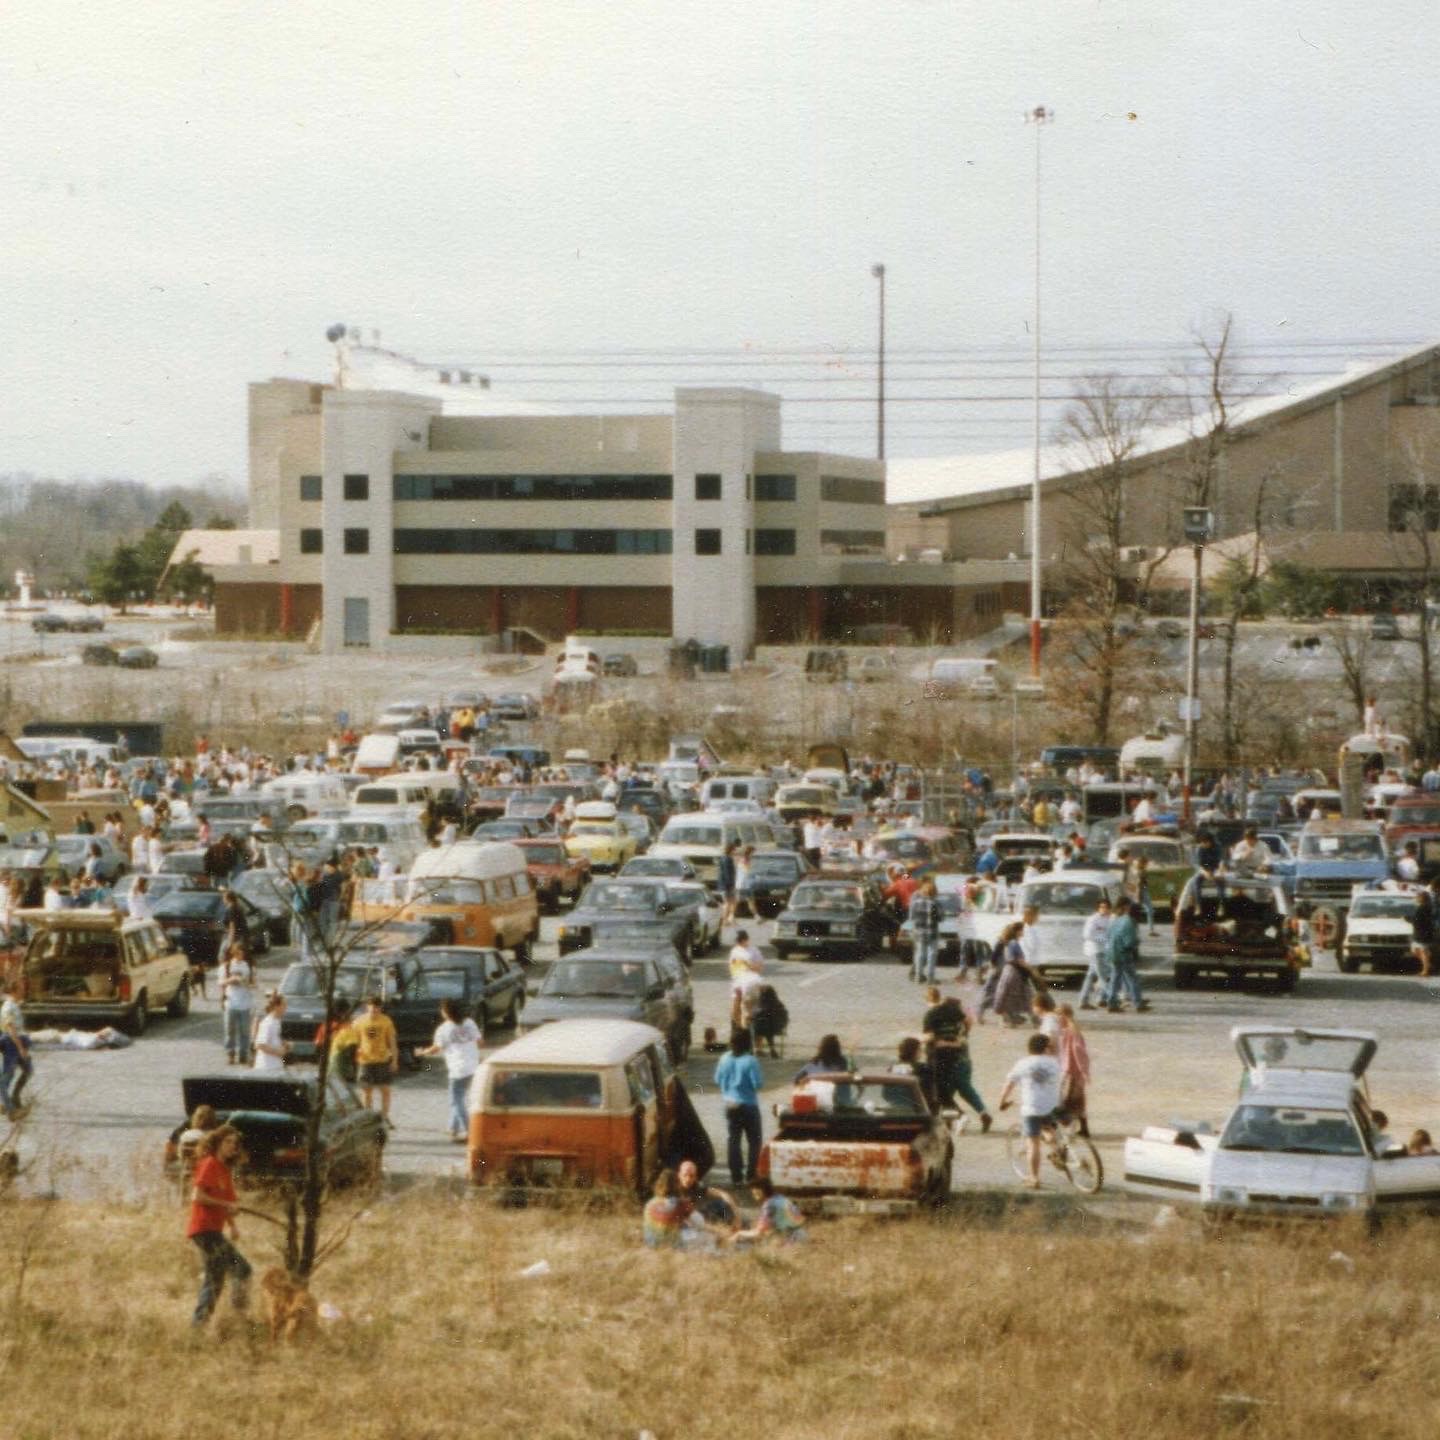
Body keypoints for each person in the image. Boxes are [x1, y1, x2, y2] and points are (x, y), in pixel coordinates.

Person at [186, 1126, 252, 1326]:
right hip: (203, 1229)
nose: (233, 1146)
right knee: (242, 1269)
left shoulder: (224, 1170)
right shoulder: (209, 1164)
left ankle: (198, 1325)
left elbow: (228, 1202)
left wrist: (232, 1224)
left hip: (213, 1230)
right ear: (217, 1143)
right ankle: (239, 1316)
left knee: (214, 1279)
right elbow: (197, 1196)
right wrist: (226, 1206)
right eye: (228, 1142)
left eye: (235, 1143)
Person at [997, 1033, 1063, 1189]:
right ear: (1046, 1048)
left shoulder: (1022, 1063)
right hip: (1052, 1106)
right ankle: (1057, 1150)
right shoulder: (1054, 1063)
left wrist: (1002, 1101)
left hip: (1031, 1107)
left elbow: (1009, 1084)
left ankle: (1034, 1178)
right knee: (1048, 1128)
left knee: (1033, 1144)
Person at [922, 985, 991, 1129]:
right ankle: (978, 1113)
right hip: (960, 1057)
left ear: (927, 1000)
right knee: (962, 1089)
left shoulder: (931, 1015)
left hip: (941, 1057)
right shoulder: (955, 1015)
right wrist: (964, 1034)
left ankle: (958, 1118)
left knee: (944, 1092)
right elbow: (969, 1021)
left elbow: (930, 1038)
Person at [418, 997, 482, 1143]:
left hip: (458, 1069)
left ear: (446, 1012)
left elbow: (435, 1049)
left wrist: (422, 1052)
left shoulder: (443, 1029)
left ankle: (469, 1130)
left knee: (456, 1100)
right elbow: (480, 1042)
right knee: (458, 1097)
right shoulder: (469, 1023)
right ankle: (453, 1127)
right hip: (473, 1066)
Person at [714, 1028, 764, 1189]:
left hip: (730, 1105)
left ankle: (736, 1177)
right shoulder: (750, 1061)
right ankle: (751, 1175)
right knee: (754, 1142)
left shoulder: (724, 1059)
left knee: (733, 1141)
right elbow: (758, 1084)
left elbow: (717, 1079)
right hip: (748, 1104)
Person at [355, 994, 399, 1122]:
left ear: (380, 1008)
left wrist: (395, 1060)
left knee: (385, 1090)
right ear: (366, 1007)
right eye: (371, 1007)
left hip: (382, 1060)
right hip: (365, 1061)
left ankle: (384, 1117)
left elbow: (392, 1042)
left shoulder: (386, 1021)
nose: (374, 1010)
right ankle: (367, 1118)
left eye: (377, 1008)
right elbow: (354, 1041)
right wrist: (356, 1051)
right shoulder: (359, 1021)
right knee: (366, 1091)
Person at [990, 920, 1041, 1027]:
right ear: (1018, 931)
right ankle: (1018, 1019)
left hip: (1011, 972)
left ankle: (1016, 1019)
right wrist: (1032, 970)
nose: (1024, 932)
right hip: (1015, 972)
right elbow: (1018, 960)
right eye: (1022, 930)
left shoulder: (1010, 942)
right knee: (1021, 996)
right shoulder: (1014, 943)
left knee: (1012, 996)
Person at [729, 1177, 807, 1246]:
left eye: (753, 1193)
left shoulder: (769, 1205)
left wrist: (739, 1234)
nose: (753, 1196)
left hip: (791, 1242)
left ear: (759, 1192)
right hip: (802, 1237)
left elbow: (758, 1233)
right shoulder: (781, 1198)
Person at [1103, 902, 1150, 1013]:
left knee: (1115, 979)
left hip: (1112, 952)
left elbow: (1108, 934)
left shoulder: (1118, 919)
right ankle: (1137, 1003)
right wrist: (1136, 943)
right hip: (1123, 954)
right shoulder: (1130, 923)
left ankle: (1111, 1002)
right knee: (1132, 978)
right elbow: (1129, 942)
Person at [675, 1157, 739, 1235]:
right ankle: (723, 1231)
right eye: (685, 1175)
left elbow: (723, 1194)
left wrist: (736, 1215)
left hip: (695, 1216)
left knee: (721, 1204)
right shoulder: (673, 1190)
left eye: (691, 1176)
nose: (688, 1179)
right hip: (682, 1222)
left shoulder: (696, 1187)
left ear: (695, 1177)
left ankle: (731, 1228)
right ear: (679, 1175)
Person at [1055, 1003, 1092, 1138]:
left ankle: (1068, 1127)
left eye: (1058, 1016)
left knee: (1068, 1101)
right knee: (1079, 1101)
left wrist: (1083, 1070)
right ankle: (1084, 1128)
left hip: (1071, 1072)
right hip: (1073, 1072)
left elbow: (1078, 1052)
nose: (1056, 1019)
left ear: (1064, 1016)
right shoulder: (1071, 1031)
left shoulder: (1069, 1032)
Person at [217, 944, 254, 1065]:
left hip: (245, 1003)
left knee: (244, 1031)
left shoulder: (247, 966)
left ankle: (243, 1055)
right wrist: (230, 980)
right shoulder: (227, 966)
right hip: (231, 1003)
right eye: (238, 953)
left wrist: (246, 982)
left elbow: (254, 984)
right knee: (230, 1030)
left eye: (242, 953)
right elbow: (220, 982)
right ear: (233, 953)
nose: (240, 955)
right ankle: (231, 1054)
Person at [1077, 896, 1113, 1010]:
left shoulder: (1110, 919)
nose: (1104, 909)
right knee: (1103, 977)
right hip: (1095, 951)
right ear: (1098, 908)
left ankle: (1085, 1000)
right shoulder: (1093, 919)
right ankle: (1113, 999)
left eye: (1106, 907)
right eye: (1102, 907)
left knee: (1091, 976)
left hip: (1105, 951)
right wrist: (1103, 939)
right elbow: (1087, 935)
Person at [316, 1000, 361, 1083]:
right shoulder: (348, 1027)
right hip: (342, 1069)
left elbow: (319, 1047)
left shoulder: (326, 1025)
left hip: (332, 1068)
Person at [908, 876, 942, 985]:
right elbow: (941, 918)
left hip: (919, 931)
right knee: (932, 954)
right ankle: (930, 978)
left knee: (919, 954)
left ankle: (918, 977)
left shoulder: (915, 901)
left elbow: (911, 917)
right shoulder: (936, 903)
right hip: (932, 931)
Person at [642, 1168, 685, 1249]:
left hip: (651, 1244)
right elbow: (698, 1223)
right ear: (677, 1184)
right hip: (672, 1246)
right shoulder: (679, 1203)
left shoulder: (650, 1203)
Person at [252, 993, 289, 1071]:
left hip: (276, 1066)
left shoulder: (277, 1021)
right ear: (276, 1007)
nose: (286, 1008)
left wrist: (284, 1044)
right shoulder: (268, 1023)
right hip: (266, 1068)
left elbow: (273, 1040)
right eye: (284, 1005)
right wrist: (278, 1052)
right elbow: (259, 1044)